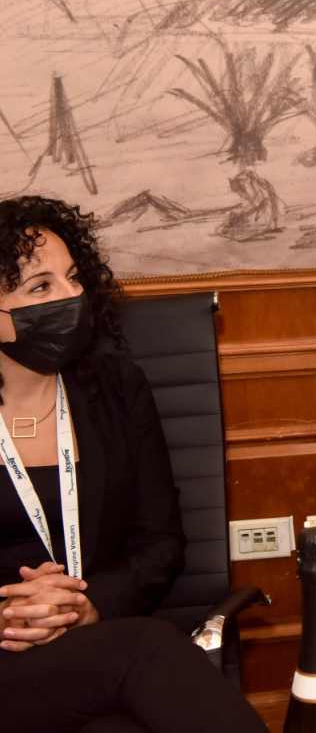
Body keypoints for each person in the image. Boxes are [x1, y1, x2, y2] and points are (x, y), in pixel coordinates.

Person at [0, 196, 265, 733]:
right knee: (145, 650)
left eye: (74, 278)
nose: (70, 296)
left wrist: (88, 606)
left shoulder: (115, 389)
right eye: (40, 288)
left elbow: (160, 544)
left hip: (96, 648)